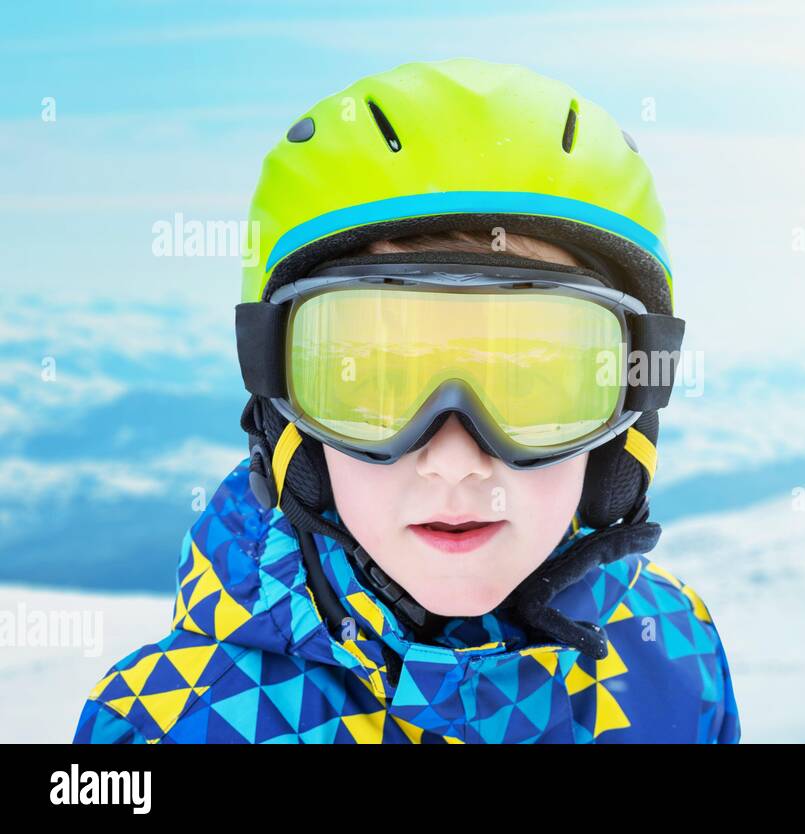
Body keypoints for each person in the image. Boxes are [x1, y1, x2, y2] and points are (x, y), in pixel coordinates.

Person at [72, 58, 740, 744]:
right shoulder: (170, 723)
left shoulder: (675, 651)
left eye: (535, 380)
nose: (454, 462)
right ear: (283, 418)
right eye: (370, 379)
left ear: (627, 423)